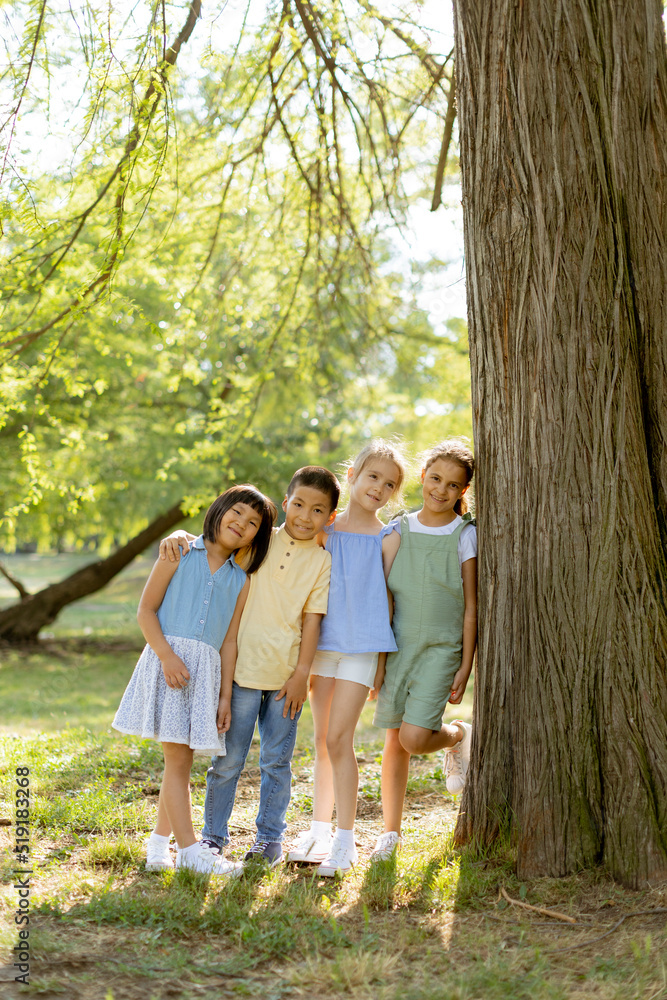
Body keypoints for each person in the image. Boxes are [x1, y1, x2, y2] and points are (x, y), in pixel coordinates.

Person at [159, 466, 339, 869]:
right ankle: (212, 839)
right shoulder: (257, 541)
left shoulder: (321, 562)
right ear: (287, 501)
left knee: (276, 761)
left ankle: (269, 840)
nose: (304, 517)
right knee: (228, 761)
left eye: (317, 511)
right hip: (238, 675)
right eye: (298, 505)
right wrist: (178, 536)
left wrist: (301, 675)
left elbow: (312, 621)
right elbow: (215, 545)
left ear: (329, 517)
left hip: (284, 680)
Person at [112, 485, 276, 876]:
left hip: (204, 675)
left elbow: (230, 640)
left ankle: (157, 846)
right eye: (236, 513)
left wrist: (223, 697)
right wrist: (167, 656)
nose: (242, 524)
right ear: (218, 509)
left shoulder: (241, 580)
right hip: (169, 668)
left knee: (178, 763)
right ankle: (189, 851)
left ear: (258, 536)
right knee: (178, 762)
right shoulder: (179, 551)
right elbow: (146, 611)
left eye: (253, 523)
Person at [287, 440, 406, 876]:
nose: (379, 487)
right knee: (320, 741)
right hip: (321, 647)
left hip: (361, 649)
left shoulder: (389, 536)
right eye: (372, 476)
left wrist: (381, 661)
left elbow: (389, 599)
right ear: (352, 476)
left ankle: (345, 840)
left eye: (389, 483)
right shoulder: (325, 529)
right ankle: (319, 829)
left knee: (340, 741)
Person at [370, 439, 477, 861]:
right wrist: (379, 663)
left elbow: (471, 608)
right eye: (436, 478)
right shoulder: (398, 530)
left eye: (453, 485)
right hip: (398, 648)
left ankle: (458, 735)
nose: (441, 490)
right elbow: (384, 601)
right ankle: (390, 833)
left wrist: (465, 666)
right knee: (394, 742)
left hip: (441, 649)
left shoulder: (465, 536)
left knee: (414, 738)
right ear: (422, 477)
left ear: (462, 492)